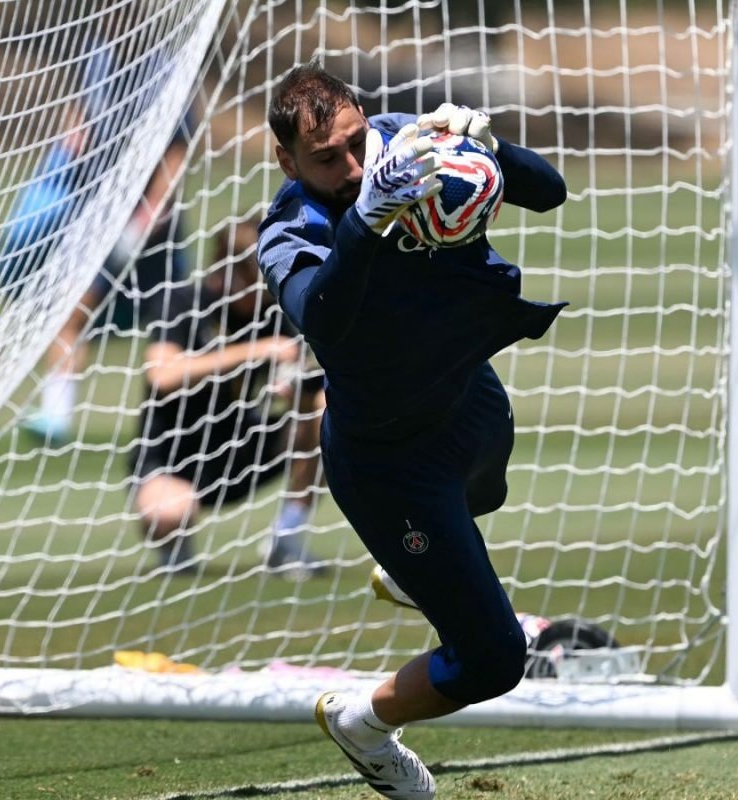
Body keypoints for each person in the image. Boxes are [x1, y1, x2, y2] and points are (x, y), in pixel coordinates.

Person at [257, 62, 567, 799]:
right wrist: (367, 218)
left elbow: (548, 192)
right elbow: (324, 317)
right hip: (388, 458)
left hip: (468, 399)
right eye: (327, 159)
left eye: (358, 142)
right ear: (288, 161)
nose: (354, 167)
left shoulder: (411, 143)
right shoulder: (289, 230)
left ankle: (413, 570)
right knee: (495, 659)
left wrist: (485, 143)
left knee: (489, 477)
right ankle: (362, 723)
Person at [0, 36, 193, 444]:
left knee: (172, 321)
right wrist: (73, 136)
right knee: (71, 303)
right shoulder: (97, 56)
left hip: (149, 222)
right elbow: (82, 113)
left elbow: (176, 152)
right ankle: (56, 414)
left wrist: (146, 217)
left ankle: (185, 420)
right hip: (97, 213)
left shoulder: (166, 72)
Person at [131, 220, 327, 578]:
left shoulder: (271, 312)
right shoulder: (182, 302)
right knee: (170, 512)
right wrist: (255, 352)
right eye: (256, 277)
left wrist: (291, 387)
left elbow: (301, 382)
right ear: (225, 270)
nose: (265, 287)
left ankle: (287, 538)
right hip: (172, 457)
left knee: (329, 418)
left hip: (240, 447)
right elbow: (163, 374)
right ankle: (176, 549)